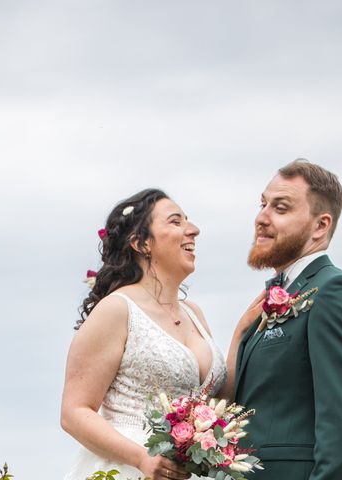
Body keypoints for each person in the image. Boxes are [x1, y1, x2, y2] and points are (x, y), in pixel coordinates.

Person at [61, 188, 232, 480]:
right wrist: (142, 459)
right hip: (131, 469)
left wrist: (243, 329)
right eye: (176, 222)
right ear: (142, 244)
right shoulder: (117, 309)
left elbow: (220, 405)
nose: (193, 230)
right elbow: (74, 412)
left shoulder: (194, 313)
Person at [234, 159, 342, 480]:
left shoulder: (334, 291)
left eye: (280, 208)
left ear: (320, 225)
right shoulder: (272, 298)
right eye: (263, 204)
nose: (261, 218)